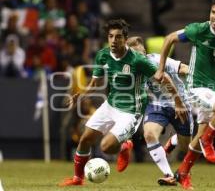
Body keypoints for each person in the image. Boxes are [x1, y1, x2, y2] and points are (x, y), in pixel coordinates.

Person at [58, 19, 188, 186]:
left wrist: (178, 101)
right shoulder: (103, 55)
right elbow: (96, 82)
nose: (113, 40)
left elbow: (164, 78)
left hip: (131, 111)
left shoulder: (137, 60)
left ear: (125, 39)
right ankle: (78, 179)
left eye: (118, 37)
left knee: (106, 147)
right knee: (85, 139)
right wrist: (81, 94)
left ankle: (126, 144)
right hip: (111, 105)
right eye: (110, 36)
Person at [155, 0, 215, 189]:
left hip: (213, 88)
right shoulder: (199, 29)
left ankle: (181, 173)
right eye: (213, 12)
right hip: (195, 86)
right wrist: (161, 68)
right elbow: (170, 38)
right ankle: (208, 140)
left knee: (197, 138)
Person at [127, 36, 192, 186]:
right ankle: (169, 175)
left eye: (139, 53)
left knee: (187, 147)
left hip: (180, 103)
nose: (137, 58)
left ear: (144, 51)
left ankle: (174, 140)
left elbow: (183, 68)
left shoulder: (157, 60)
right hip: (156, 104)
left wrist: (202, 81)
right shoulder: (133, 71)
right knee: (149, 134)